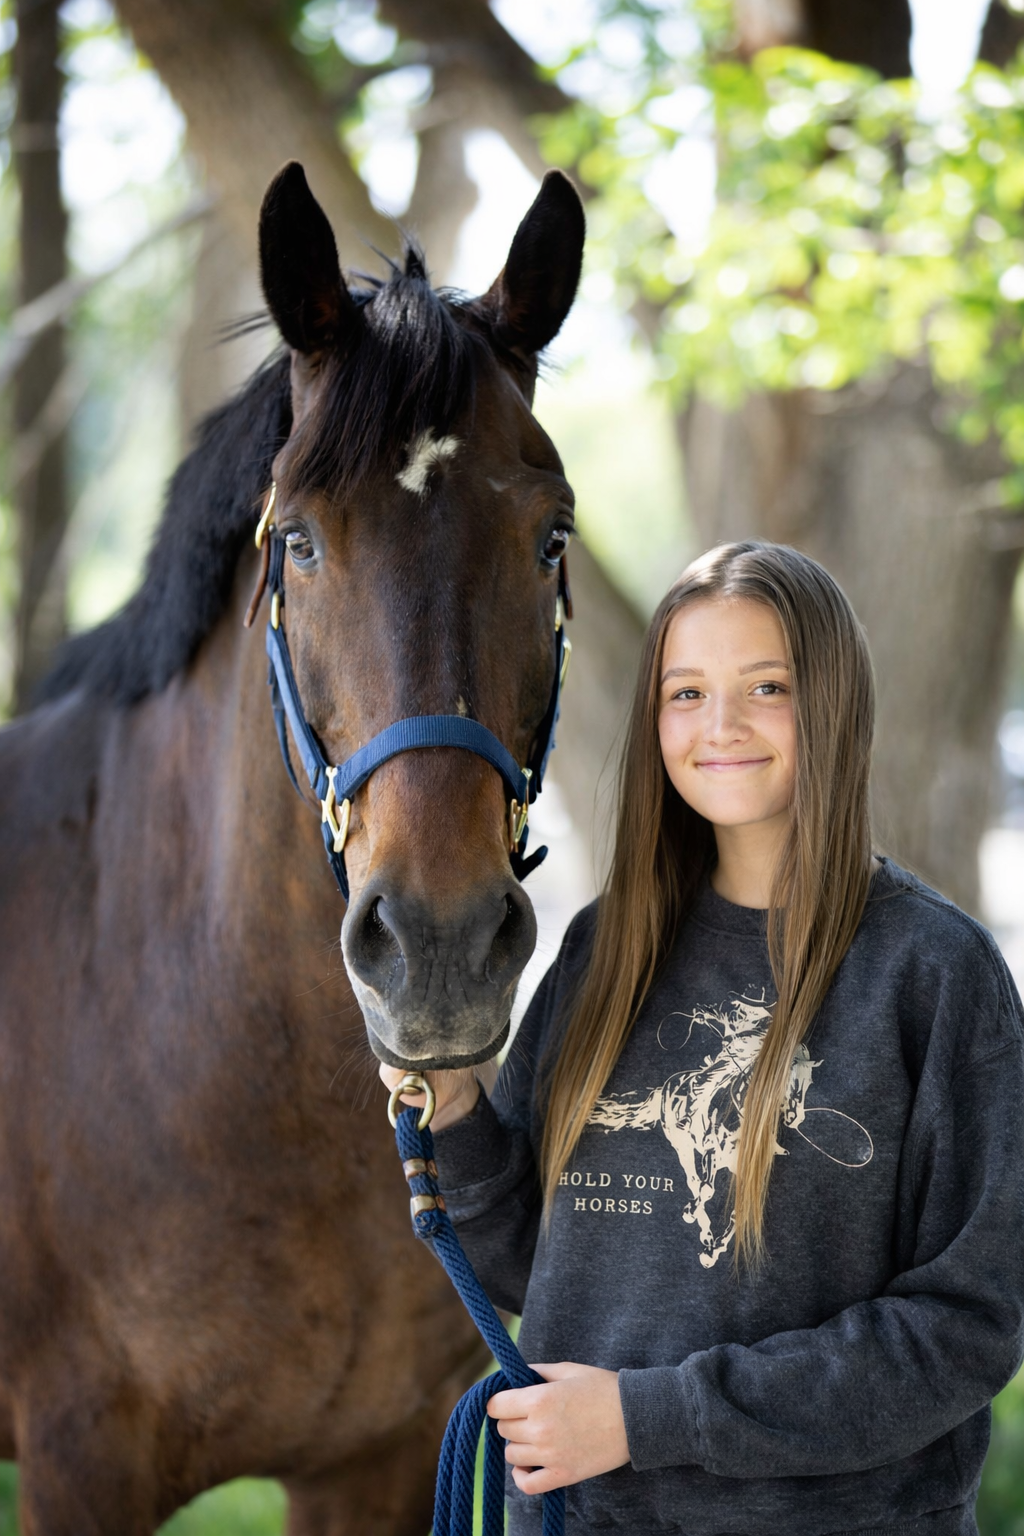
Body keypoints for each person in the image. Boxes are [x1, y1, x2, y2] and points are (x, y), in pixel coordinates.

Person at [380, 540, 1024, 1536]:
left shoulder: (931, 974)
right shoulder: (607, 950)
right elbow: (540, 1267)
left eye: (764, 686)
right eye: (685, 693)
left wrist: (646, 1420)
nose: (718, 725)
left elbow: (962, 1330)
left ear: (832, 701)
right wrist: (458, 1111)